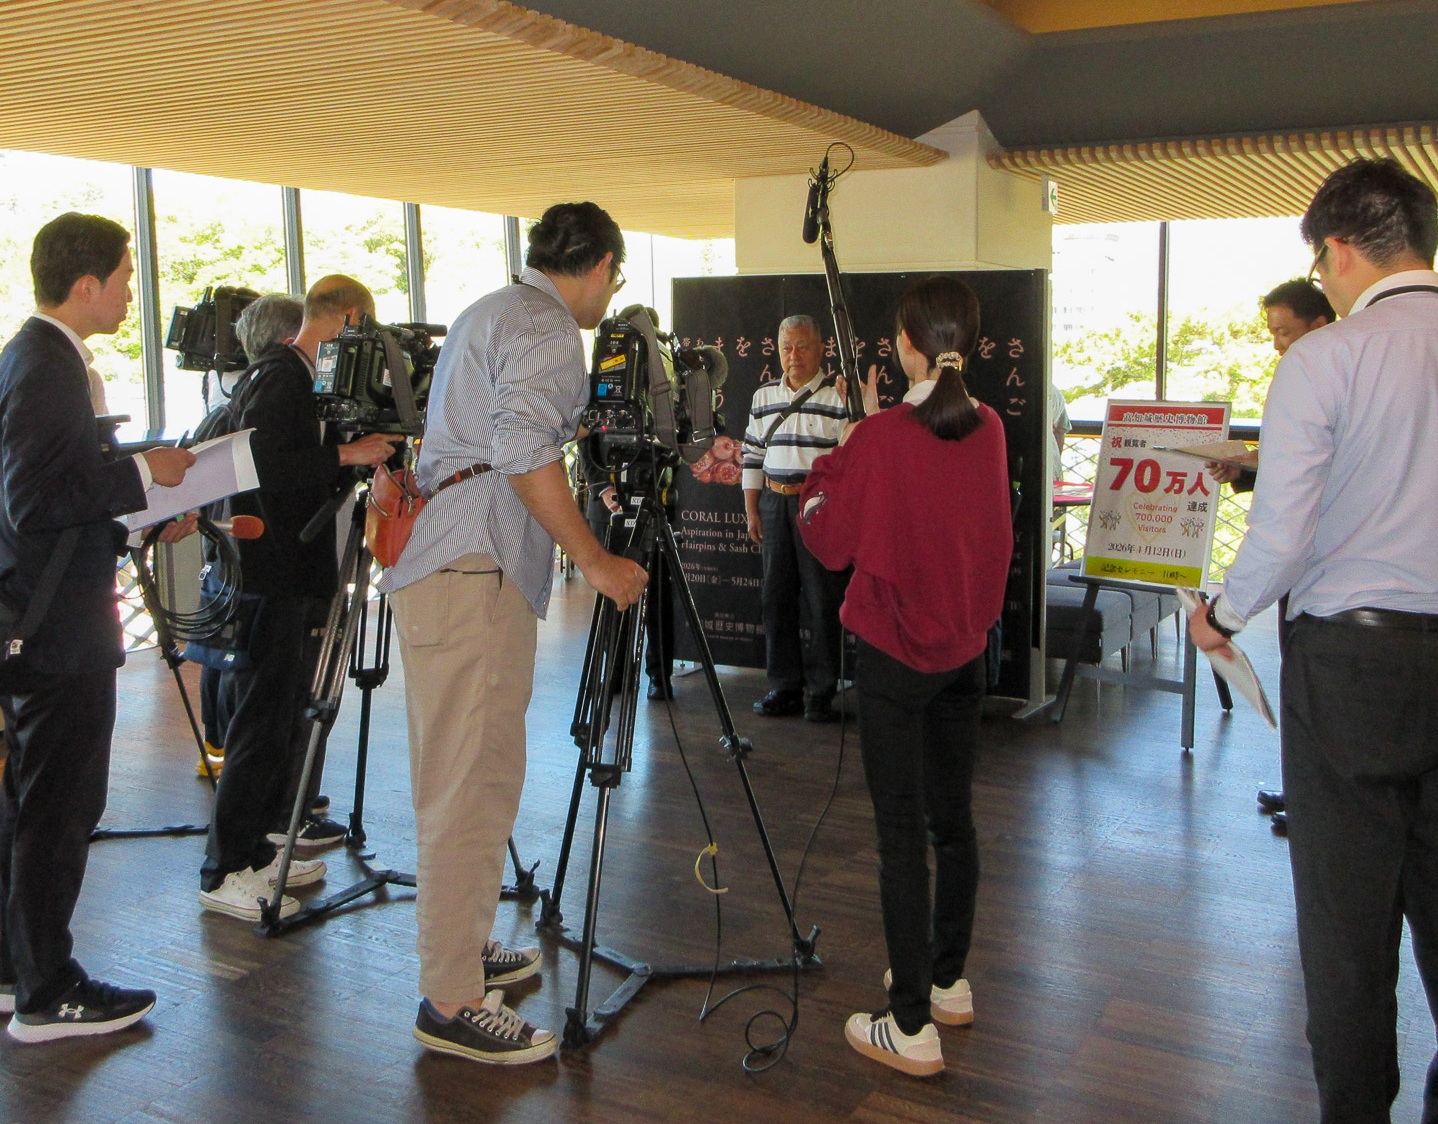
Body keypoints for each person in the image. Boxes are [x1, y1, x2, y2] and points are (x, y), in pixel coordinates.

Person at [1189, 157, 1438, 1121]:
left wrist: (1222, 614)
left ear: (1337, 251)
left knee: (1346, 924)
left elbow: (1283, 534)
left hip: (1353, 665)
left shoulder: (1327, 358)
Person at [378, 201, 645, 1066]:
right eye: (615, 276)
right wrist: (595, 561)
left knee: (468, 773)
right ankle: (451, 998)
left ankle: (462, 944)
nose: (610, 292)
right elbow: (527, 450)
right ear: (599, 265)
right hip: (474, 569)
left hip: (452, 564)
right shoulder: (547, 327)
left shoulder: (493, 309)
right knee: (469, 782)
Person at [798, 275, 1012, 1077]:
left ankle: (911, 1024)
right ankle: (946, 982)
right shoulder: (988, 426)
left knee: (899, 836)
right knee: (952, 821)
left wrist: (838, 457)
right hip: (965, 651)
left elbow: (828, 540)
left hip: (894, 655)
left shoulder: (881, 437)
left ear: (906, 346)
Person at [0, 213, 196, 1041]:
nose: (127, 294)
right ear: (86, 285)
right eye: (122, 278)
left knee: (30, 802)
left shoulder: (30, 357)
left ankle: (18, 969)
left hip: (39, 616)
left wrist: (134, 516)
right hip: (56, 630)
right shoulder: (48, 365)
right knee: (59, 807)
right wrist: (143, 473)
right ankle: (48, 992)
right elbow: (35, 500)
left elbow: (52, 497)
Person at [198, 276, 400, 921]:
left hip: (286, 570)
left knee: (281, 715)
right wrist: (345, 452)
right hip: (272, 573)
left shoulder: (293, 376)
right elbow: (261, 464)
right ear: (347, 318)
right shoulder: (282, 376)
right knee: (261, 721)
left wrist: (348, 454)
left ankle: (256, 849)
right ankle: (225, 866)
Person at [1204, 279, 1333, 830]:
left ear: (1319, 325)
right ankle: (1304, 791)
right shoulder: (1314, 372)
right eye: (1272, 333)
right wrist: (1244, 467)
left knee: (1319, 694)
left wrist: (1227, 613)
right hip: (1311, 569)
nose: (1277, 344)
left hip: (1322, 568)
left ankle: (1314, 802)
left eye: (1285, 332)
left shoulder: (1328, 372)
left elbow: (1305, 477)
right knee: (1301, 687)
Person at [195, 293, 305, 780]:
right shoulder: (265, 402)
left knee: (224, 657)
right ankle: (244, 773)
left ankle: (217, 750)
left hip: (225, 556)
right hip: (254, 556)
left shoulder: (230, 401)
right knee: (247, 668)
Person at [741, 314, 849, 721]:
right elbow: (752, 456)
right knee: (775, 598)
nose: (794, 356)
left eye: (802, 347)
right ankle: (784, 687)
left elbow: (852, 460)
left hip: (819, 507)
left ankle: (821, 692)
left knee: (823, 601)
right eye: (786, 348)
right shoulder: (763, 396)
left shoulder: (838, 396)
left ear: (821, 349)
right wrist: (751, 509)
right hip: (773, 504)